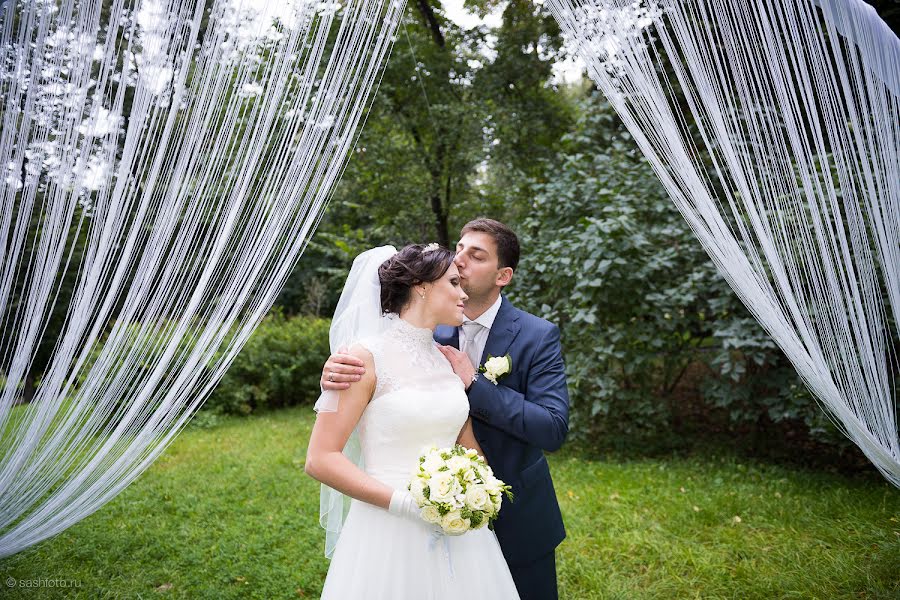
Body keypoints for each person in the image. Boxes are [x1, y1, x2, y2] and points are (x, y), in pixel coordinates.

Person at [321, 219, 570, 600]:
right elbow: (375, 380)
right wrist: (335, 370)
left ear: (503, 275)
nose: (461, 260)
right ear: (422, 288)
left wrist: (475, 384)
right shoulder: (422, 332)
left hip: (515, 514)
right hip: (404, 520)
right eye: (459, 250)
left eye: (476, 255)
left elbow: (552, 428)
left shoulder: (538, 335)